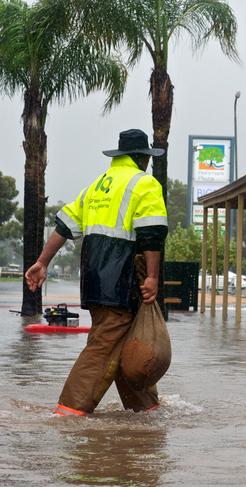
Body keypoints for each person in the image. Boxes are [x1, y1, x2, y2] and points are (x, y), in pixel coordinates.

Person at [25, 129, 168, 416]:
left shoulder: (97, 186)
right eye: (147, 159)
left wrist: (42, 262)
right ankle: (69, 412)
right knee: (103, 346)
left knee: (119, 344)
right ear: (142, 158)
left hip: (94, 278)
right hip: (122, 278)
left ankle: (146, 411)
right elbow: (152, 233)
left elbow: (64, 227)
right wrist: (152, 277)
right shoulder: (144, 183)